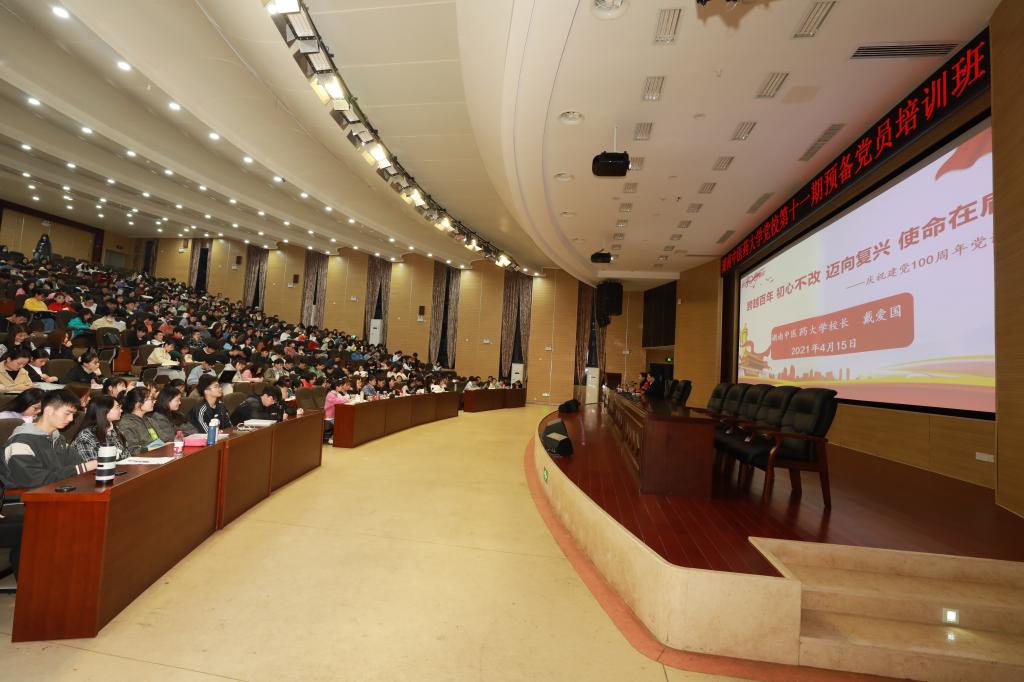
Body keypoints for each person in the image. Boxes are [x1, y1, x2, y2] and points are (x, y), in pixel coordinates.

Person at [0, 389, 95, 489]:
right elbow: (34, 480)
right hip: (26, 496)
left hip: (56, 491)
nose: (71, 419)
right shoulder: (20, 443)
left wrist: (87, 467)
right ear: (48, 410)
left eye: (73, 415)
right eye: (67, 413)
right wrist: (83, 468)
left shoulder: (59, 440)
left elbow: (79, 466)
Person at [70, 395, 130, 462]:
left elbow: (127, 456)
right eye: (117, 407)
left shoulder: (115, 430)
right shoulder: (86, 436)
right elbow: (92, 466)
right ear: (104, 410)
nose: (121, 410)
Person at [117, 387, 161, 454]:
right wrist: (151, 449)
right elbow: (132, 450)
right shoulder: (125, 423)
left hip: (158, 454)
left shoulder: (149, 420)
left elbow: (163, 439)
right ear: (137, 404)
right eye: (151, 399)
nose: (154, 401)